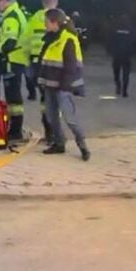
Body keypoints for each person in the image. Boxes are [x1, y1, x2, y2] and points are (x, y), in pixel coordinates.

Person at [37, 9, 91, 161]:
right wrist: (40, 79)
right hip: (50, 84)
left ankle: (83, 146)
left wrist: (65, 87)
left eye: (46, 22)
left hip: (62, 87)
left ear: (55, 23)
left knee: (70, 118)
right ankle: (59, 143)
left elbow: (70, 67)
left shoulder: (68, 39)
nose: (45, 25)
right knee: (51, 116)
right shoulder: (50, 38)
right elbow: (44, 60)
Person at [0, 0, 29, 142]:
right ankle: (16, 129)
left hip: (12, 60)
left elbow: (9, 44)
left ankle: (15, 131)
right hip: (17, 60)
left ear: (2, 1)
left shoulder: (11, 18)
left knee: (13, 97)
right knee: (14, 96)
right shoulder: (16, 13)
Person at [24, 0, 59, 143]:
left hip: (37, 62)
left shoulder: (34, 18)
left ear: (42, 3)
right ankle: (55, 133)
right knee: (54, 98)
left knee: (44, 98)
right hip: (56, 64)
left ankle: (49, 133)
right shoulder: (61, 18)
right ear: (55, 2)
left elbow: (24, 40)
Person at [107, 14, 136, 97]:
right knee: (126, 73)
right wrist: (133, 53)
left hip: (117, 54)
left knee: (116, 72)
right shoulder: (131, 30)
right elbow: (134, 42)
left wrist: (110, 51)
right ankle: (125, 90)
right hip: (127, 54)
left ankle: (118, 86)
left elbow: (110, 40)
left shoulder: (115, 29)